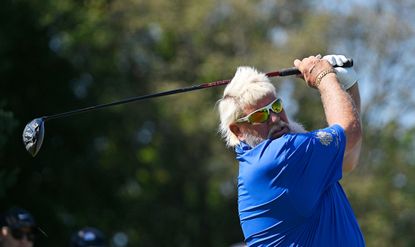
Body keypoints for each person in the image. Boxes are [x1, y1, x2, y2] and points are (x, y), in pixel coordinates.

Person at [217, 54, 364, 246]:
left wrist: (348, 85)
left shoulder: (284, 155)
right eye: (261, 115)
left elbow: (348, 158)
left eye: (276, 106)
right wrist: (324, 76)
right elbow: (350, 131)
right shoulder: (278, 158)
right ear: (238, 130)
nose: (275, 119)